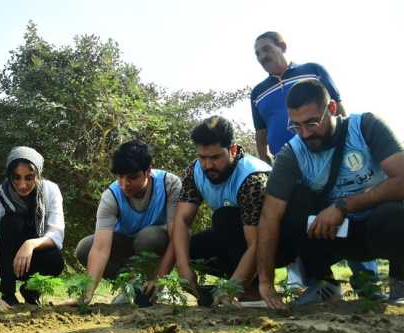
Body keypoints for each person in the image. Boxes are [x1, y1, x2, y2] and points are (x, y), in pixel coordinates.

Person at [257, 79, 404, 309]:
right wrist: (265, 282)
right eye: (295, 125)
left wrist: (343, 205)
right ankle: (323, 283)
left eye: (312, 123)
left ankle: (400, 281)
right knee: (293, 200)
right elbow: (269, 217)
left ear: (332, 109)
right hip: (334, 235)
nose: (304, 133)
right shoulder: (292, 153)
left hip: (380, 227)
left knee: (395, 213)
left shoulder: (366, 127)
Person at [251, 31, 378, 289]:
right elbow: (260, 131)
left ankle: (366, 281)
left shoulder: (313, 70)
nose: (262, 56)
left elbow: (338, 108)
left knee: (346, 203)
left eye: (265, 49)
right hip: (289, 164)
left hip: (330, 155)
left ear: (282, 46)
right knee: (295, 216)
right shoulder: (257, 92)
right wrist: (264, 159)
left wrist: (345, 144)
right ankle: (315, 282)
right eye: (257, 54)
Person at [146, 116, 271, 304]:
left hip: (273, 243)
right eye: (202, 157)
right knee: (189, 249)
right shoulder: (194, 172)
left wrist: (230, 290)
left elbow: (258, 243)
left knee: (224, 218)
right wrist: (183, 267)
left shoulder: (253, 179)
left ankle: (249, 289)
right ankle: (230, 285)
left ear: (233, 150)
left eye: (215, 157)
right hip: (237, 239)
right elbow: (182, 221)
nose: (207, 165)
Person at [75, 139, 181, 304]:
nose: (125, 184)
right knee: (85, 248)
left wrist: (160, 277)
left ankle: (159, 287)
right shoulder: (111, 196)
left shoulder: (170, 185)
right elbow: (100, 248)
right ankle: (131, 285)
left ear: (148, 171)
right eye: (120, 177)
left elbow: (177, 237)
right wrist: (86, 295)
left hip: (157, 244)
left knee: (148, 237)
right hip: (127, 246)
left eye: (132, 177)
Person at [0, 146, 65, 312]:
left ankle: (31, 291)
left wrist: (30, 244)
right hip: (6, 263)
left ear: (38, 174)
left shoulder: (51, 191)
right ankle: (6, 293)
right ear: (10, 176)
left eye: (29, 178)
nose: (22, 185)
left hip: (33, 258)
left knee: (55, 259)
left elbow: (56, 233)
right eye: (16, 178)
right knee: (12, 223)